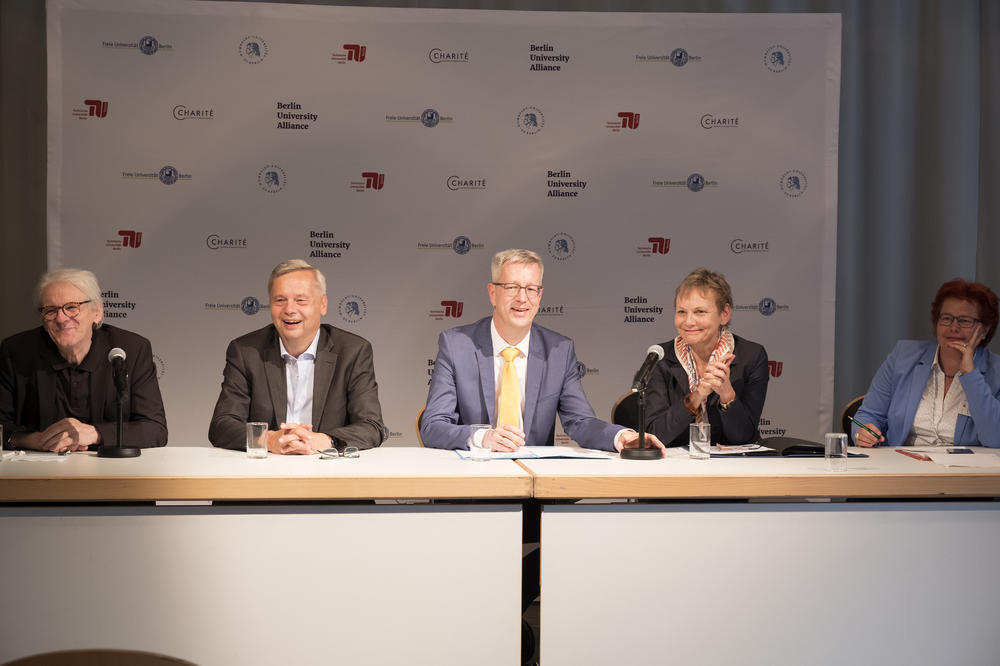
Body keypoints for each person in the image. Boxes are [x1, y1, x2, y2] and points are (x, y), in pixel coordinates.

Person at [420, 248, 663, 454]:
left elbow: (580, 421)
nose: (522, 298)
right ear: (493, 293)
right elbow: (433, 426)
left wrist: (621, 437)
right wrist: (483, 437)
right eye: (512, 287)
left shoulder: (559, 351)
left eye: (530, 289)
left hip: (534, 488)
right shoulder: (456, 345)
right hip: (473, 484)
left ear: (540, 296)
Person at [209, 259, 387, 454]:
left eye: (301, 300)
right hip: (265, 472)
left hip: (329, 471)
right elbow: (222, 426)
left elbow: (372, 426)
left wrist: (326, 441)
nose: (289, 309)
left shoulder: (353, 351)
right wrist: (268, 439)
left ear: (323, 304)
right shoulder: (246, 351)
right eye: (280, 300)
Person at [0, 268, 167, 452]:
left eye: (72, 307)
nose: (61, 318)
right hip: (39, 472)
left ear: (97, 312)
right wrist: (34, 440)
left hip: (111, 472)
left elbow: (155, 429)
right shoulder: (16, 352)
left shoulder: (133, 350)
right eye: (50, 310)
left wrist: (95, 433)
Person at [853, 278, 1000, 448]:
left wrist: (970, 375)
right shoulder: (903, 357)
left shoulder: (996, 373)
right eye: (946, 318)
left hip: (966, 473)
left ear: (984, 330)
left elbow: (995, 439)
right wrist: (863, 432)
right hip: (903, 467)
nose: (953, 327)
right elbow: (868, 415)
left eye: (964, 321)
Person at [645, 268, 769, 446]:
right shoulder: (661, 358)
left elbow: (744, 437)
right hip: (676, 466)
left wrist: (727, 396)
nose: (688, 321)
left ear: (724, 314)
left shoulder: (751, 356)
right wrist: (697, 396)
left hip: (735, 468)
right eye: (681, 312)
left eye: (700, 312)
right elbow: (655, 435)